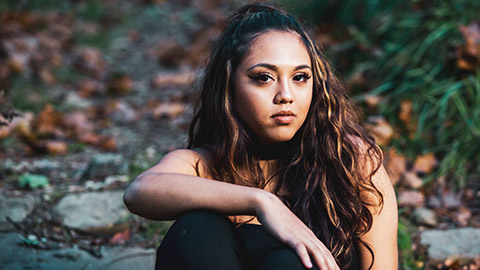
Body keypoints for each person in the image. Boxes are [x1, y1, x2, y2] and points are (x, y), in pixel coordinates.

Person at [123, 3, 398, 270]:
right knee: (197, 228)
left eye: (300, 77)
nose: (285, 96)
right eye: (264, 77)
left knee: (292, 262)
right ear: (229, 86)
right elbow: (139, 192)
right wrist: (262, 202)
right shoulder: (204, 166)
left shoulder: (350, 159)